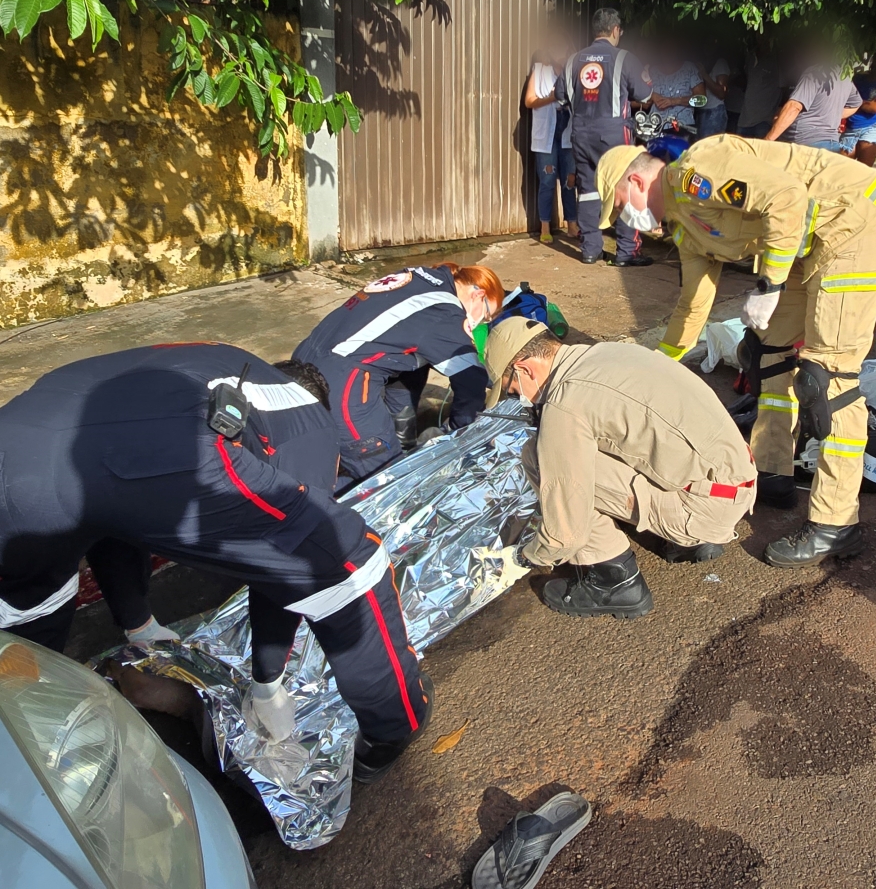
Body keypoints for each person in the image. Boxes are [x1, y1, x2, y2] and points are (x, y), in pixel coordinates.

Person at [0, 344, 430, 781]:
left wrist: (139, 623)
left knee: (28, 612)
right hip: (165, 452)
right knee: (349, 565)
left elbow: (107, 508)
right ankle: (393, 728)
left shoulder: (214, 358)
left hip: (16, 442)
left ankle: (23, 735)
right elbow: (289, 568)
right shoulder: (310, 421)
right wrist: (267, 679)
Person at [595, 136, 876, 568]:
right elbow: (692, 304)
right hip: (812, 242)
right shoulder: (685, 225)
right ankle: (773, 471)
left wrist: (771, 284)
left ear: (635, 180)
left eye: (619, 206)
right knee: (768, 355)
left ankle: (836, 523)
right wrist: (655, 364)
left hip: (859, 222)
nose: (626, 220)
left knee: (828, 377)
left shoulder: (697, 170)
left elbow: (785, 197)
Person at [483, 317, 757, 618]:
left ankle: (614, 580)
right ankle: (694, 538)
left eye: (512, 389)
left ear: (525, 368)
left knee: (539, 455)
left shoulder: (565, 402)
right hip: (735, 477)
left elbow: (565, 530)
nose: (518, 398)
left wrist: (525, 558)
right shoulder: (605, 353)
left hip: (706, 509)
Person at [293, 263, 504, 484]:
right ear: (479, 295)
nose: (482, 322)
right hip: (343, 384)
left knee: (317, 451)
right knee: (380, 474)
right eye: (487, 315)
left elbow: (405, 359)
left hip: (303, 361)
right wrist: (458, 432)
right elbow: (471, 382)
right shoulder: (446, 312)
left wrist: (404, 439)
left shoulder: (417, 276)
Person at [556, 8, 654, 267]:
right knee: (625, 189)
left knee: (588, 190)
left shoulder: (572, 61)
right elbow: (644, 96)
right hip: (613, 135)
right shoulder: (624, 58)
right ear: (615, 30)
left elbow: (559, 97)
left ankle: (590, 250)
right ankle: (626, 252)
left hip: (580, 134)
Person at [525, 44, 579, 244]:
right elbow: (529, 101)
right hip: (547, 132)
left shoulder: (574, 73)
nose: (561, 53)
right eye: (556, 49)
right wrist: (551, 97)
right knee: (547, 181)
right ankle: (545, 226)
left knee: (569, 180)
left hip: (567, 131)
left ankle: (572, 225)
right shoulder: (539, 71)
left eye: (564, 50)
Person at [764, 62, 862, 151]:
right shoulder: (843, 75)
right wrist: (828, 114)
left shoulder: (814, 73)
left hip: (806, 145)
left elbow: (794, 107)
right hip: (830, 144)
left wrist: (767, 141)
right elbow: (856, 103)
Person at [840, 71, 876, 166]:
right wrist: (867, 103)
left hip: (872, 127)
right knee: (842, 167)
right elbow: (845, 98)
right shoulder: (858, 77)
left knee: (863, 169)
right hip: (851, 126)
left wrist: (856, 103)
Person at [648, 47, 705, 131]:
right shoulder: (653, 71)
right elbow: (642, 98)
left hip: (682, 127)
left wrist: (674, 101)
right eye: (664, 49)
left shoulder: (689, 68)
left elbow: (702, 100)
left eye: (671, 48)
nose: (668, 53)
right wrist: (652, 95)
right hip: (655, 126)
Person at [738, 36, 782, 138]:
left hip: (765, 120)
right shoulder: (751, 56)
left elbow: (784, 88)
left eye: (766, 34)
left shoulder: (777, 59)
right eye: (758, 34)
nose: (762, 37)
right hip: (745, 119)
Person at [695, 54, 731, 138]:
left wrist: (704, 74)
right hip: (701, 111)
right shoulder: (701, 62)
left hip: (715, 111)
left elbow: (722, 93)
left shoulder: (720, 63)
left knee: (710, 147)